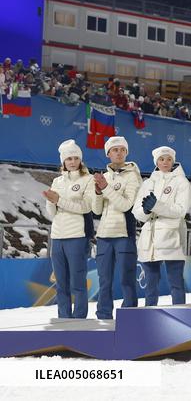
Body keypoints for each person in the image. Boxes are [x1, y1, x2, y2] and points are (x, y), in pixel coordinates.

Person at [132, 146, 191, 306]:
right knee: (150, 286)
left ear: (173, 161)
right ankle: (149, 316)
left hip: (172, 237)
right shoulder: (148, 183)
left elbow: (181, 210)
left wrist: (156, 206)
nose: (165, 162)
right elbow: (136, 212)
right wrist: (145, 211)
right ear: (156, 162)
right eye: (161, 159)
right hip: (149, 241)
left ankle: (180, 315)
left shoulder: (181, 182)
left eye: (169, 159)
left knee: (176, 283)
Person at [45, 139, 95, 320]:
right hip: (57, 236)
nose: (72, 162)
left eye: (75, 158)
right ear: (63, 162)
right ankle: (64, 318)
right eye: (68, 159)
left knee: (77, 282)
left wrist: (59, 200)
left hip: (77, 236)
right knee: (61, 283)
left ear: (80, 160)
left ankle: (79, 318)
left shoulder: (88, 179)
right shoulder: (57, 181)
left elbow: (86, 207)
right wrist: (50, 202)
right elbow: (52, 213)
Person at [92, 136, 142, 320]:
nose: (119, 153)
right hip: (104, 235)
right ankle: (103, 315)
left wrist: (105, 188)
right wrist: (98, 192)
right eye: (115, 150)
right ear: (108, 154)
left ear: (126, 152)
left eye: (122, 149)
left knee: (127, 278)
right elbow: (96, 210)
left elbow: (126, 205)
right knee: (104, 281)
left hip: (124, 234)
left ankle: (130, 316)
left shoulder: (133, 176)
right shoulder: (103, 177)